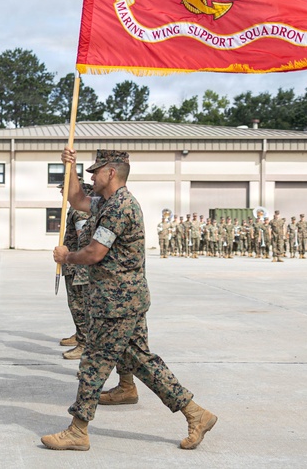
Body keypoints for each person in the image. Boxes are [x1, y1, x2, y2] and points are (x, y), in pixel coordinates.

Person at [41, 149, 217, 452]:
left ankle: (78, 429)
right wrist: (69, 167)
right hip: (122, 299)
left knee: (93, 363)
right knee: (141, 361)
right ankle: (195, 413)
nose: (91, 177)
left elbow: (95, 253)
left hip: (116, 302)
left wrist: (67, 256)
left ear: (111, 172)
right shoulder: (105, 203)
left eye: (95, 172)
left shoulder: (120, 207)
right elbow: (75, 199)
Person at [60, 177, 93, 360]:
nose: (61, 192)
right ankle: (79, 335)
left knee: (78, 305)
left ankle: (83, 342)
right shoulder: (74, 209)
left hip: (76, 266)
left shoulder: (78, 211)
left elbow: (83, 237)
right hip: (72, 263)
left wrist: (72, 259)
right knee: (77, 305)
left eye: (63, 188)